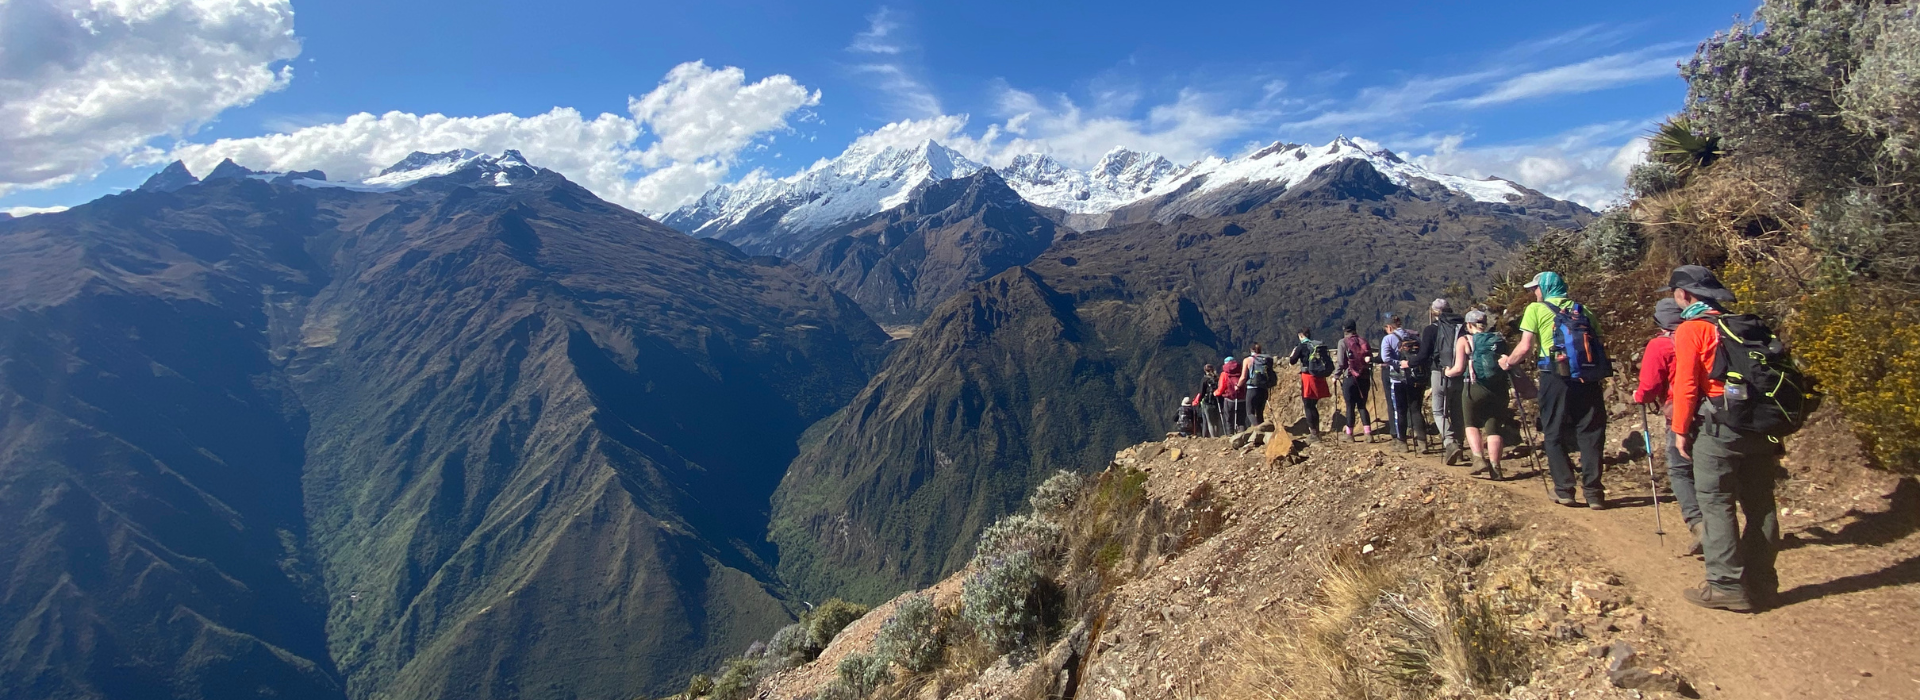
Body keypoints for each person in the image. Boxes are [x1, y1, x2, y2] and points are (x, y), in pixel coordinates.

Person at [1663, 265, 1780, 612]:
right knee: (1761, 505)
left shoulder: (1693, 329)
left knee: (1716, 502)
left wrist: (1680, 429)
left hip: (1720, 425)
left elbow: (1686, 385)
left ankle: (1726, 584)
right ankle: (1762, 583)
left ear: (1684, 295)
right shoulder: (1743, 325)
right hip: (1761, 425)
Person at [1500, 271, 1610, 509]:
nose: (1534, 292)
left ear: (1545, 288)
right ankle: (1594, 493)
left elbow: (1525, 346)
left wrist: (1508, 362)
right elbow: (1599, 342)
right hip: (1587, 378)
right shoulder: (1582, 310)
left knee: (1553, 430)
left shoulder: (1535, 310)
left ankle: (1564, 489)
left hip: (1554, 376)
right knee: (1591, 432)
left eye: (1535, 288)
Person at [1635, 298, 1703, 556]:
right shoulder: (1703, 334)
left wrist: (1639, 396)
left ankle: (1698, 523)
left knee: (1680, 469)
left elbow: (1649, 387)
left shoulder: (1661, 345)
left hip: (1679, 413)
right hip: (1712, 410)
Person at [1445, 309, 1517, 481]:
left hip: (1474, 387)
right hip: (1498, 389)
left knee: (1471, 423)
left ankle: (1478, 459)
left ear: (1469, 325)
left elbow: (1458, 368)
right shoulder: (1498, 340)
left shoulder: (1465, 340)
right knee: (1494, 428)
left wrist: (1447, 372)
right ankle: (1496, 468)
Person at [1416, 299, 1469, 464]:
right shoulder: (1461, 326)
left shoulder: (1431, 329)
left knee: (1439, 411)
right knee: (1457, 411)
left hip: (1439, 372)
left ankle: (1450, 443)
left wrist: (1409, 363)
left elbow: (1424, 355)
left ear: (1434, 312)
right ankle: (1460, 446)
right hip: (1460, 373)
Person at [1381, 315, 1426, 453]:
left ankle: (1402, 442)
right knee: (1415, 409)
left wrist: (1399, 363)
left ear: (1389, 327)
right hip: (1415, 376)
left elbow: (1385, 358)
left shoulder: (1388, 339)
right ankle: (1422, 442)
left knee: (1400, 410)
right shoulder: (1414, 336)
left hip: (1398, 376)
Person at [1286, 328, 1334, 439]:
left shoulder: (1301, 346)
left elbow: (1292, 361)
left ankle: (1313, 433)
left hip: (1308, 377)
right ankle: (1316, 431)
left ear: (1301, 335)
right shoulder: (1317, 346)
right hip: (1319, 376)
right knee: (1313, 405)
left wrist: (1292, 354)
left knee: (1308, 405)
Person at [1334, 320, 1375, 443]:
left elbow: (1341, 362)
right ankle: (1368, 434)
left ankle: (1349, 435)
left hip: (1350, 377)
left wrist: (1336, 376)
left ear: (1344, 329)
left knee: (1350, 406)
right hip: (1364, 377)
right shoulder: (1363, 341)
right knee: (1362, 405)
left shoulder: (1343, 342)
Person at [1240, 342, 1276, 428]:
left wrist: (1238, 386)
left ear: (1251, 349)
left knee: (1250, 412)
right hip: (1264, 388)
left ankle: (1259, 429)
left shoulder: (1247, 360)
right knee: (1259, 412)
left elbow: (1243, 377)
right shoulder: (1266, 359)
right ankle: (1263, 430)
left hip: (1252, 388)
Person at [1217, 355, 1246, 434]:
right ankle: (1243, 435)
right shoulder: (1241, 371)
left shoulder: (1224, 374)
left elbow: (1221, 387)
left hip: (1230, 399)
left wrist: (1216, 393)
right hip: (1242, 399)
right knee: (1241, 420)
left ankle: (1230, 435)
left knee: (1229, 419)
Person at [1199, 363, 1223, 437]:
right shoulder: (1217, 378)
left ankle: (1213, 437)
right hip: (1217, 402)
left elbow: (1201, 392)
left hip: (1207, 403)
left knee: (1210, 422)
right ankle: (1217, 436)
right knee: (1216, 422)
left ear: (1205, 370)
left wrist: (1199, 401)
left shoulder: (1204, 379)